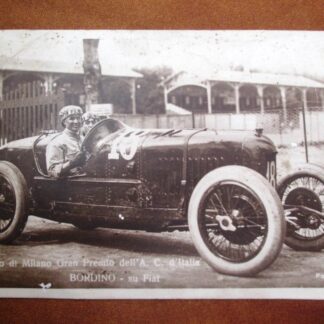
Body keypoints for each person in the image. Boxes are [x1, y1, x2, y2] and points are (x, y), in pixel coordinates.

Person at [46, 105, 86, 178]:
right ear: (64, 122)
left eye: (78, 118)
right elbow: (52, 171)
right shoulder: (57, 142)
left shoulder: (84, 139)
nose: (76, 121)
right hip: (69, 184)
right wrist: (71, 163)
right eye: (72, 119)